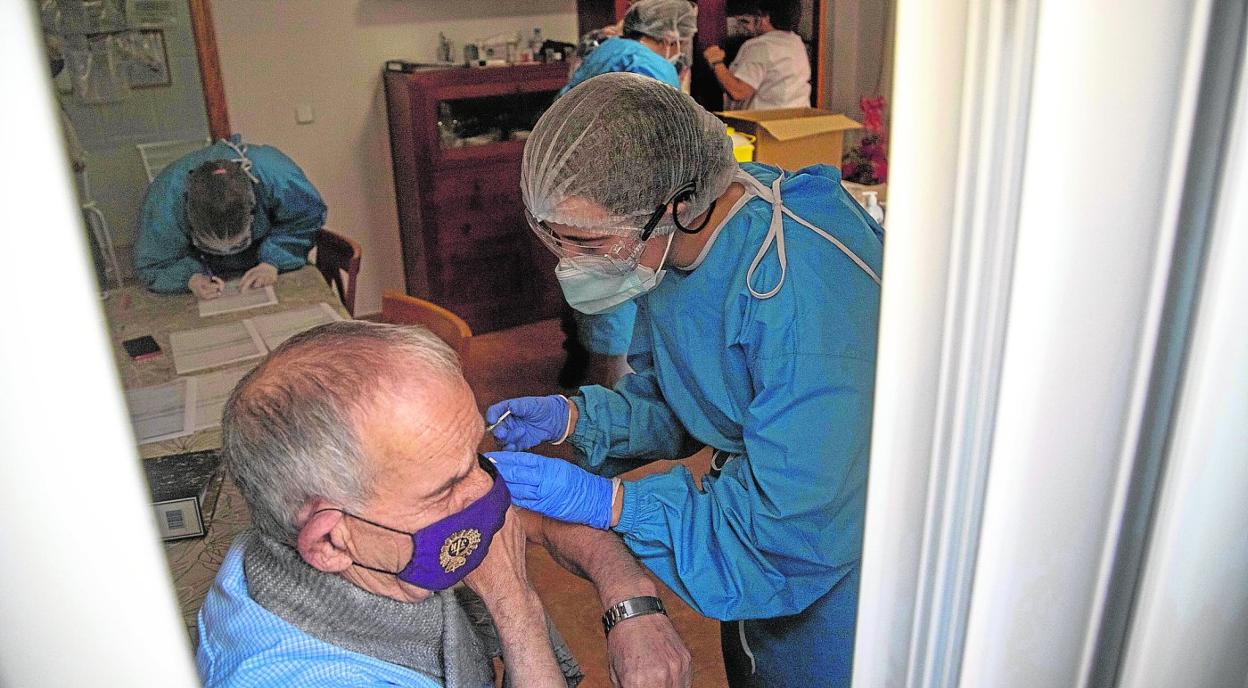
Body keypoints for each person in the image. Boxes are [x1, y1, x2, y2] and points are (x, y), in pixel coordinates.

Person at [487, 73, 882, 687]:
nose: (571, 264)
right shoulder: (674, 249)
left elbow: (786, 532)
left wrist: (613, 504)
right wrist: (577, 418)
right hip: (775, 514)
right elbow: (690, 399)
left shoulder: (801, 301)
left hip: (835, 555)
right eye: (555, 240)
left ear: (677, 203)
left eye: (589, 242)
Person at [199, 320, 691, 687]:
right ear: (330, 542)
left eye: (476, 453)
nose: (484, 488)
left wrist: (629, 597)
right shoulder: (311, 677)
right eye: (447, 487)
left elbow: (542, 520)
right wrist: (515, 607)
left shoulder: (390, 515)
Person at [558, 0, 699, 387]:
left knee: (594, 295)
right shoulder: (648, 66)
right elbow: (665, 138)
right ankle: (609, 406)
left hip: (574, 196)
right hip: (613, 200)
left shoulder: (606, 53)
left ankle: (594, 388)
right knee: (616, 307)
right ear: (670, 37)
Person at [134, 134, 326, 299]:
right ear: (189, 218)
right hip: (206, 270)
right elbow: (153, 262)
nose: (227, 252)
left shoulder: (277, 176)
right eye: (212, 244)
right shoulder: (167, 197)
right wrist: (190, 279)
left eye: (237, 243)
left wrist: (273, 261)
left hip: (267, 264)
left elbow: (305, 220)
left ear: (252, 210)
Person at [703, 0, 811, 110]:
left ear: (765, 18)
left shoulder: (761, 46)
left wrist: (716, 62)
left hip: (765, 118)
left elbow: (738, 92)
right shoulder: (796, 42)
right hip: (797, 117)